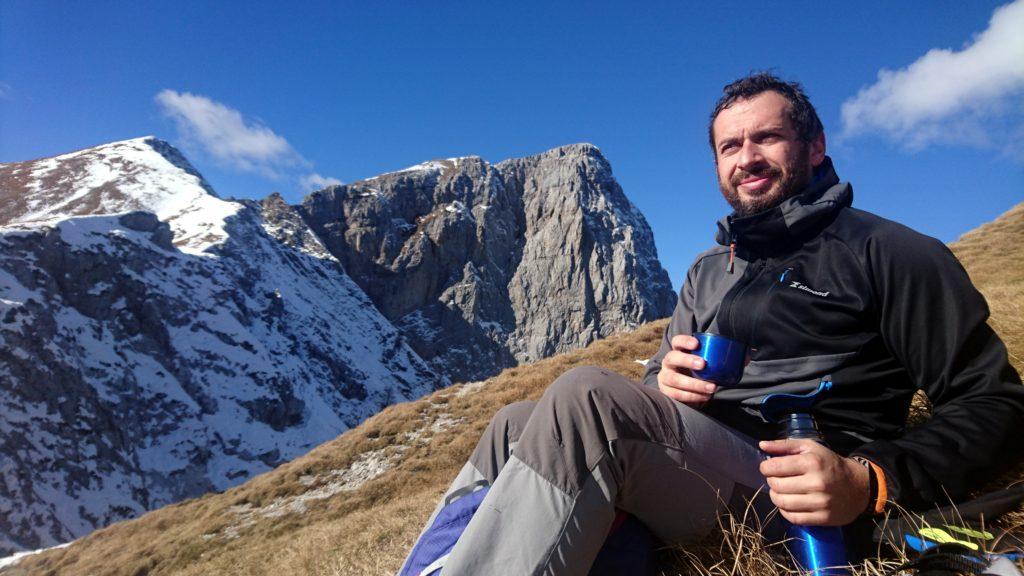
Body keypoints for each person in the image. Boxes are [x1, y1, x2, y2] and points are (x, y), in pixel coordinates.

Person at [399, 72, 1024, 575]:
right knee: (517, 422)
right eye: (730, 147)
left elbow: (995, 402)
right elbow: (657, 384)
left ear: (814, 146)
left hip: (793, 495)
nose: (746, 158)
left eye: (766, 139)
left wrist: (870, 481)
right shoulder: (709, 269)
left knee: (585, 395)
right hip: (700, 465)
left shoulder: (889, 252)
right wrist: (660, 383)